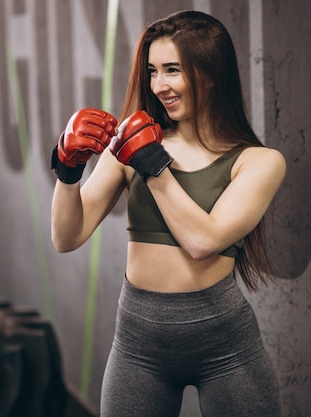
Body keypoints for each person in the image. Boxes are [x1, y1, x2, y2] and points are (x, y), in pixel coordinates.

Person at [51, 10, 285, 417]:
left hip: (224, 346)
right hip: (138, 345)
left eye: (173, 70)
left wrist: (152, 164)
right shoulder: (131, 146)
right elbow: (66, 237)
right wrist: (67, 168)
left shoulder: (258, 161)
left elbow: (203, 242)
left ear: (210, 74)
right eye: (153, 71)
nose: (159, 85)